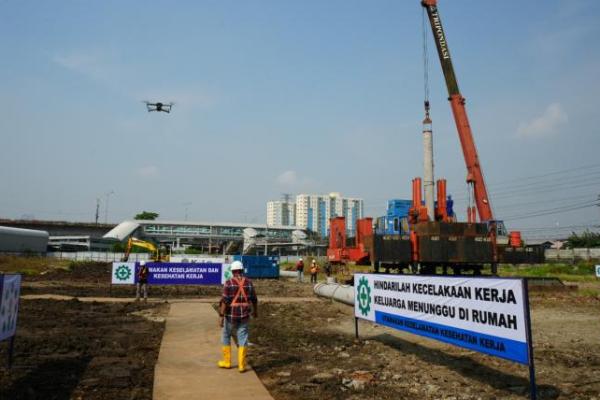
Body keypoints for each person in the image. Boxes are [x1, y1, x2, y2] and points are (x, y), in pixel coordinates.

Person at [218, 260, 258, 372]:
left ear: (232, 271)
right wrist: (255, 312)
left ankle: (227, 362)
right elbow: (254, 299)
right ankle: (241, 365)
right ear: (242, 270)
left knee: (226, 336)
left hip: (230, 316)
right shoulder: (249, 282)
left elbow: (225, 301)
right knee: (243, 338)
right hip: (244, 315)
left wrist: (221, 316)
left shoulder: (229, 283)